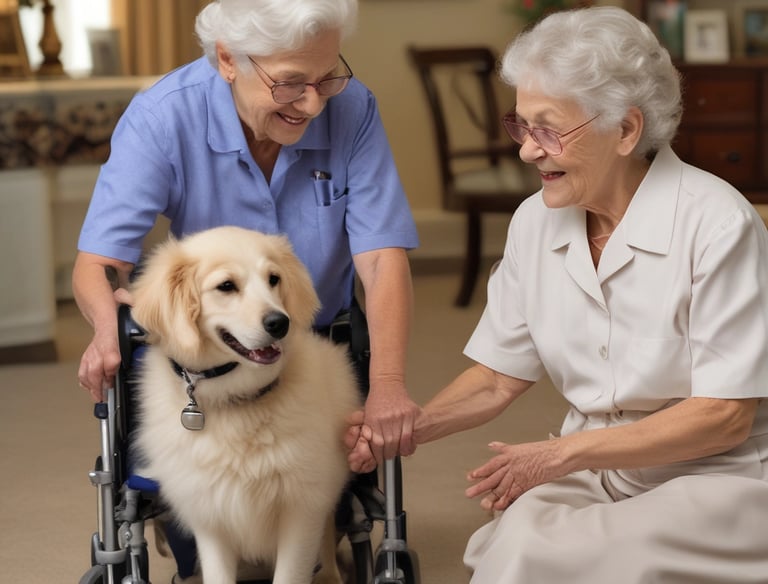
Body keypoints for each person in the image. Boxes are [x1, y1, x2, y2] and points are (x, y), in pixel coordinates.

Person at [347, 6, 768, 582]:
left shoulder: (717, 223)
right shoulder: (535, 222)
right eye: (521, 124)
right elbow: (498, 377)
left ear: (625, 129)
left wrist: (559, 456)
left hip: (713, 476)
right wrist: (404, 429)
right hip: (595, 472)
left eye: (548, 128)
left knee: (581, 559)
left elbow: (723, 417)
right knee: (514, 548)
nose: (526, 151)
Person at [73, 0, 419, 581]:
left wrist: (387, 386)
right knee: (198, 536)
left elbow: (382, 260)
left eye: (327, 75)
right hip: (206, 353)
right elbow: (100, 264)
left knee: (304, 503)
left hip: (314, 343)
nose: (312, 102)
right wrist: (106, 332)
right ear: (229, 60)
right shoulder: (163, 116)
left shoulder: (353, 109)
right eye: (289, 84)